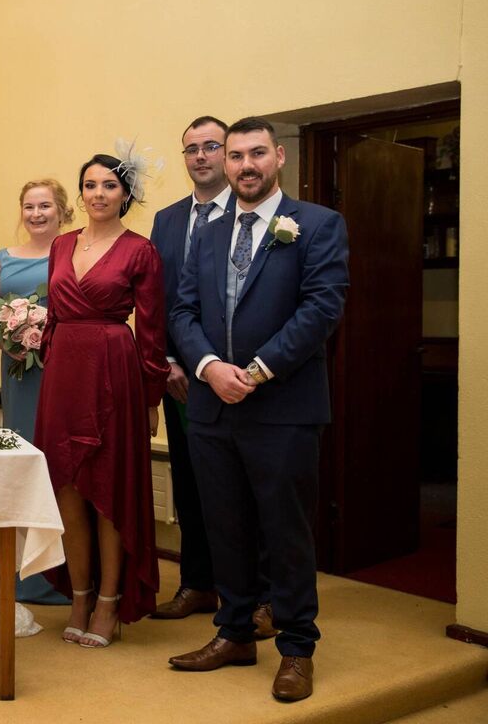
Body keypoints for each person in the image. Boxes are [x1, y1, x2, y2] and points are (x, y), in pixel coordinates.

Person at [168, 118, 349, 702]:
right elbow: (183, 313)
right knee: (226, 526)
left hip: (283, 406)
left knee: (285, 531)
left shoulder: (318, 225)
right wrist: (209, 369)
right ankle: (236, 632)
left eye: (256, 154)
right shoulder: (209, 233)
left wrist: (259, 369)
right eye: (236, 156)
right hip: (213, 407)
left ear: (279, 159)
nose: (245, 165)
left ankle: (296, 648)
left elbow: (321, 309)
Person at [33, 151, 169, 648]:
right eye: (89, 185)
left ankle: (110, 601)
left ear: (125, 195)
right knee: (67, 488)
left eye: (109, 186)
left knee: (109, 492)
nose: (97, 194)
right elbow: (51, 315)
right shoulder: (62, 244)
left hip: (114, 368)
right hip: (64, 371)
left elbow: (152, 331)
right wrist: (50, 365)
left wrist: (151, 395)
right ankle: (80, 595)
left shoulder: (140, 250)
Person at [148, 116, 234, 620]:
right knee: (190, 481)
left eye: (210, 147)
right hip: (182, 379)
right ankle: (198, 583)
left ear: (227, 154)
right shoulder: (168, 219)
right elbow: (158, 300)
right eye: (191, 150)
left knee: (238, 487)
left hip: (233, 375)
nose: (200, 157)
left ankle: (255, 593)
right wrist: (166, 362)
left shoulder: (246, 215)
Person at [0, 178, 73, 605]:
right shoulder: (3, 258)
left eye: (45, 206)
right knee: (24, 459)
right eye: (29, 206)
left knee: (60, 463)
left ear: (63, 211)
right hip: (19, 371)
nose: (36, 214)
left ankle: (66, 573)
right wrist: (11, 344)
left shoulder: (75, 252)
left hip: (64, 370)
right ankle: (22, 572)